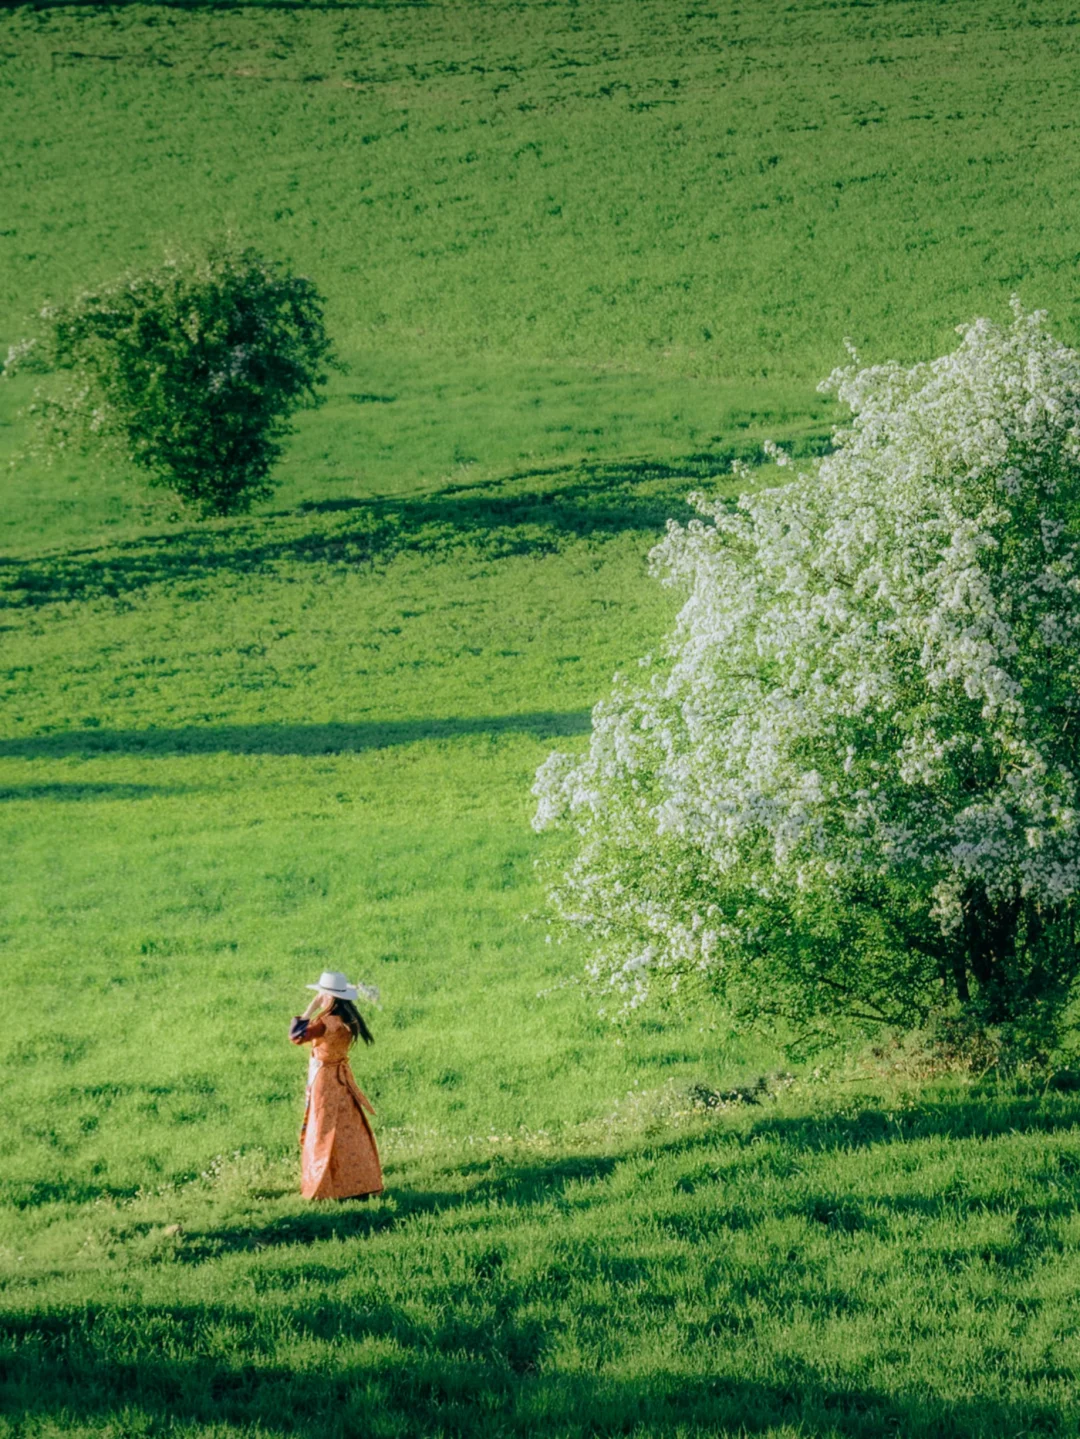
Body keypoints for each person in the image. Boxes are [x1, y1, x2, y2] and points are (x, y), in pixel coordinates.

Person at [288, 971, 383, 1201]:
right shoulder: (348, 1020)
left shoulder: (324, 1023)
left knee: (321, 1129)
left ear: (329, 997)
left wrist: (311, 1007)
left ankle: (322, 1186)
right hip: (342, 1080)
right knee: (347, 1128)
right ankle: (358, 1182)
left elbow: (295, 1036)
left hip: (324, 1080)